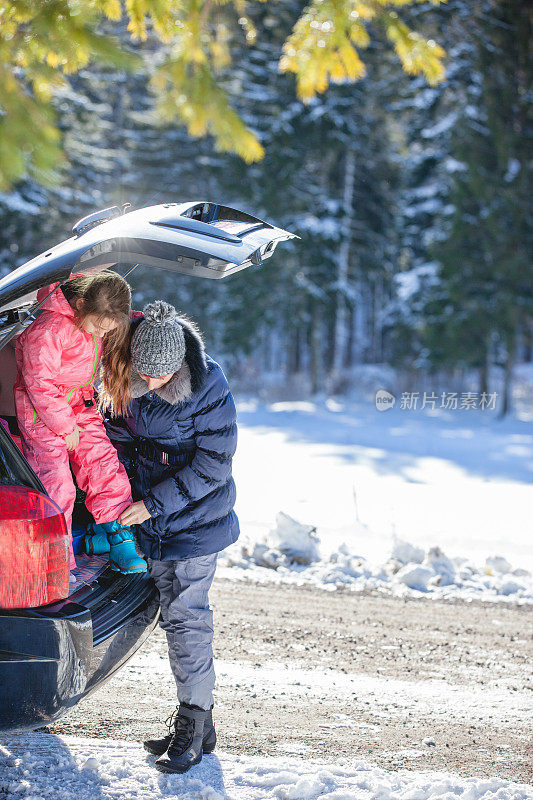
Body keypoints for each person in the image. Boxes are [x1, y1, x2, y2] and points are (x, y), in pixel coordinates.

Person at [103, 300, 239, 774]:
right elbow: (116, 434)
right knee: (175, 621)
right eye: (144, 376)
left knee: (186, 621)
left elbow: (214, 464)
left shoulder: (209, 384)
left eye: (160, 378)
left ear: (181, 364)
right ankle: (199, 721)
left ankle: (193, 724)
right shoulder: (126, 372)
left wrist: (153, 503)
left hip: (194, 522)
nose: (151, 385)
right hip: (148, 519)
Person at [14, 270, 146, 575]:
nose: (100, 335)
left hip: (79, 403)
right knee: (57, 486)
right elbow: (38, 382)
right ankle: (55, 563)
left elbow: (117, 317)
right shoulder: (48, 329)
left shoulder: (99, 308)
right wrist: (65, 426)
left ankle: (119, 538)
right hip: (41, 412)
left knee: (103, 465)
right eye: (99, 327)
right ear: (82, 304)